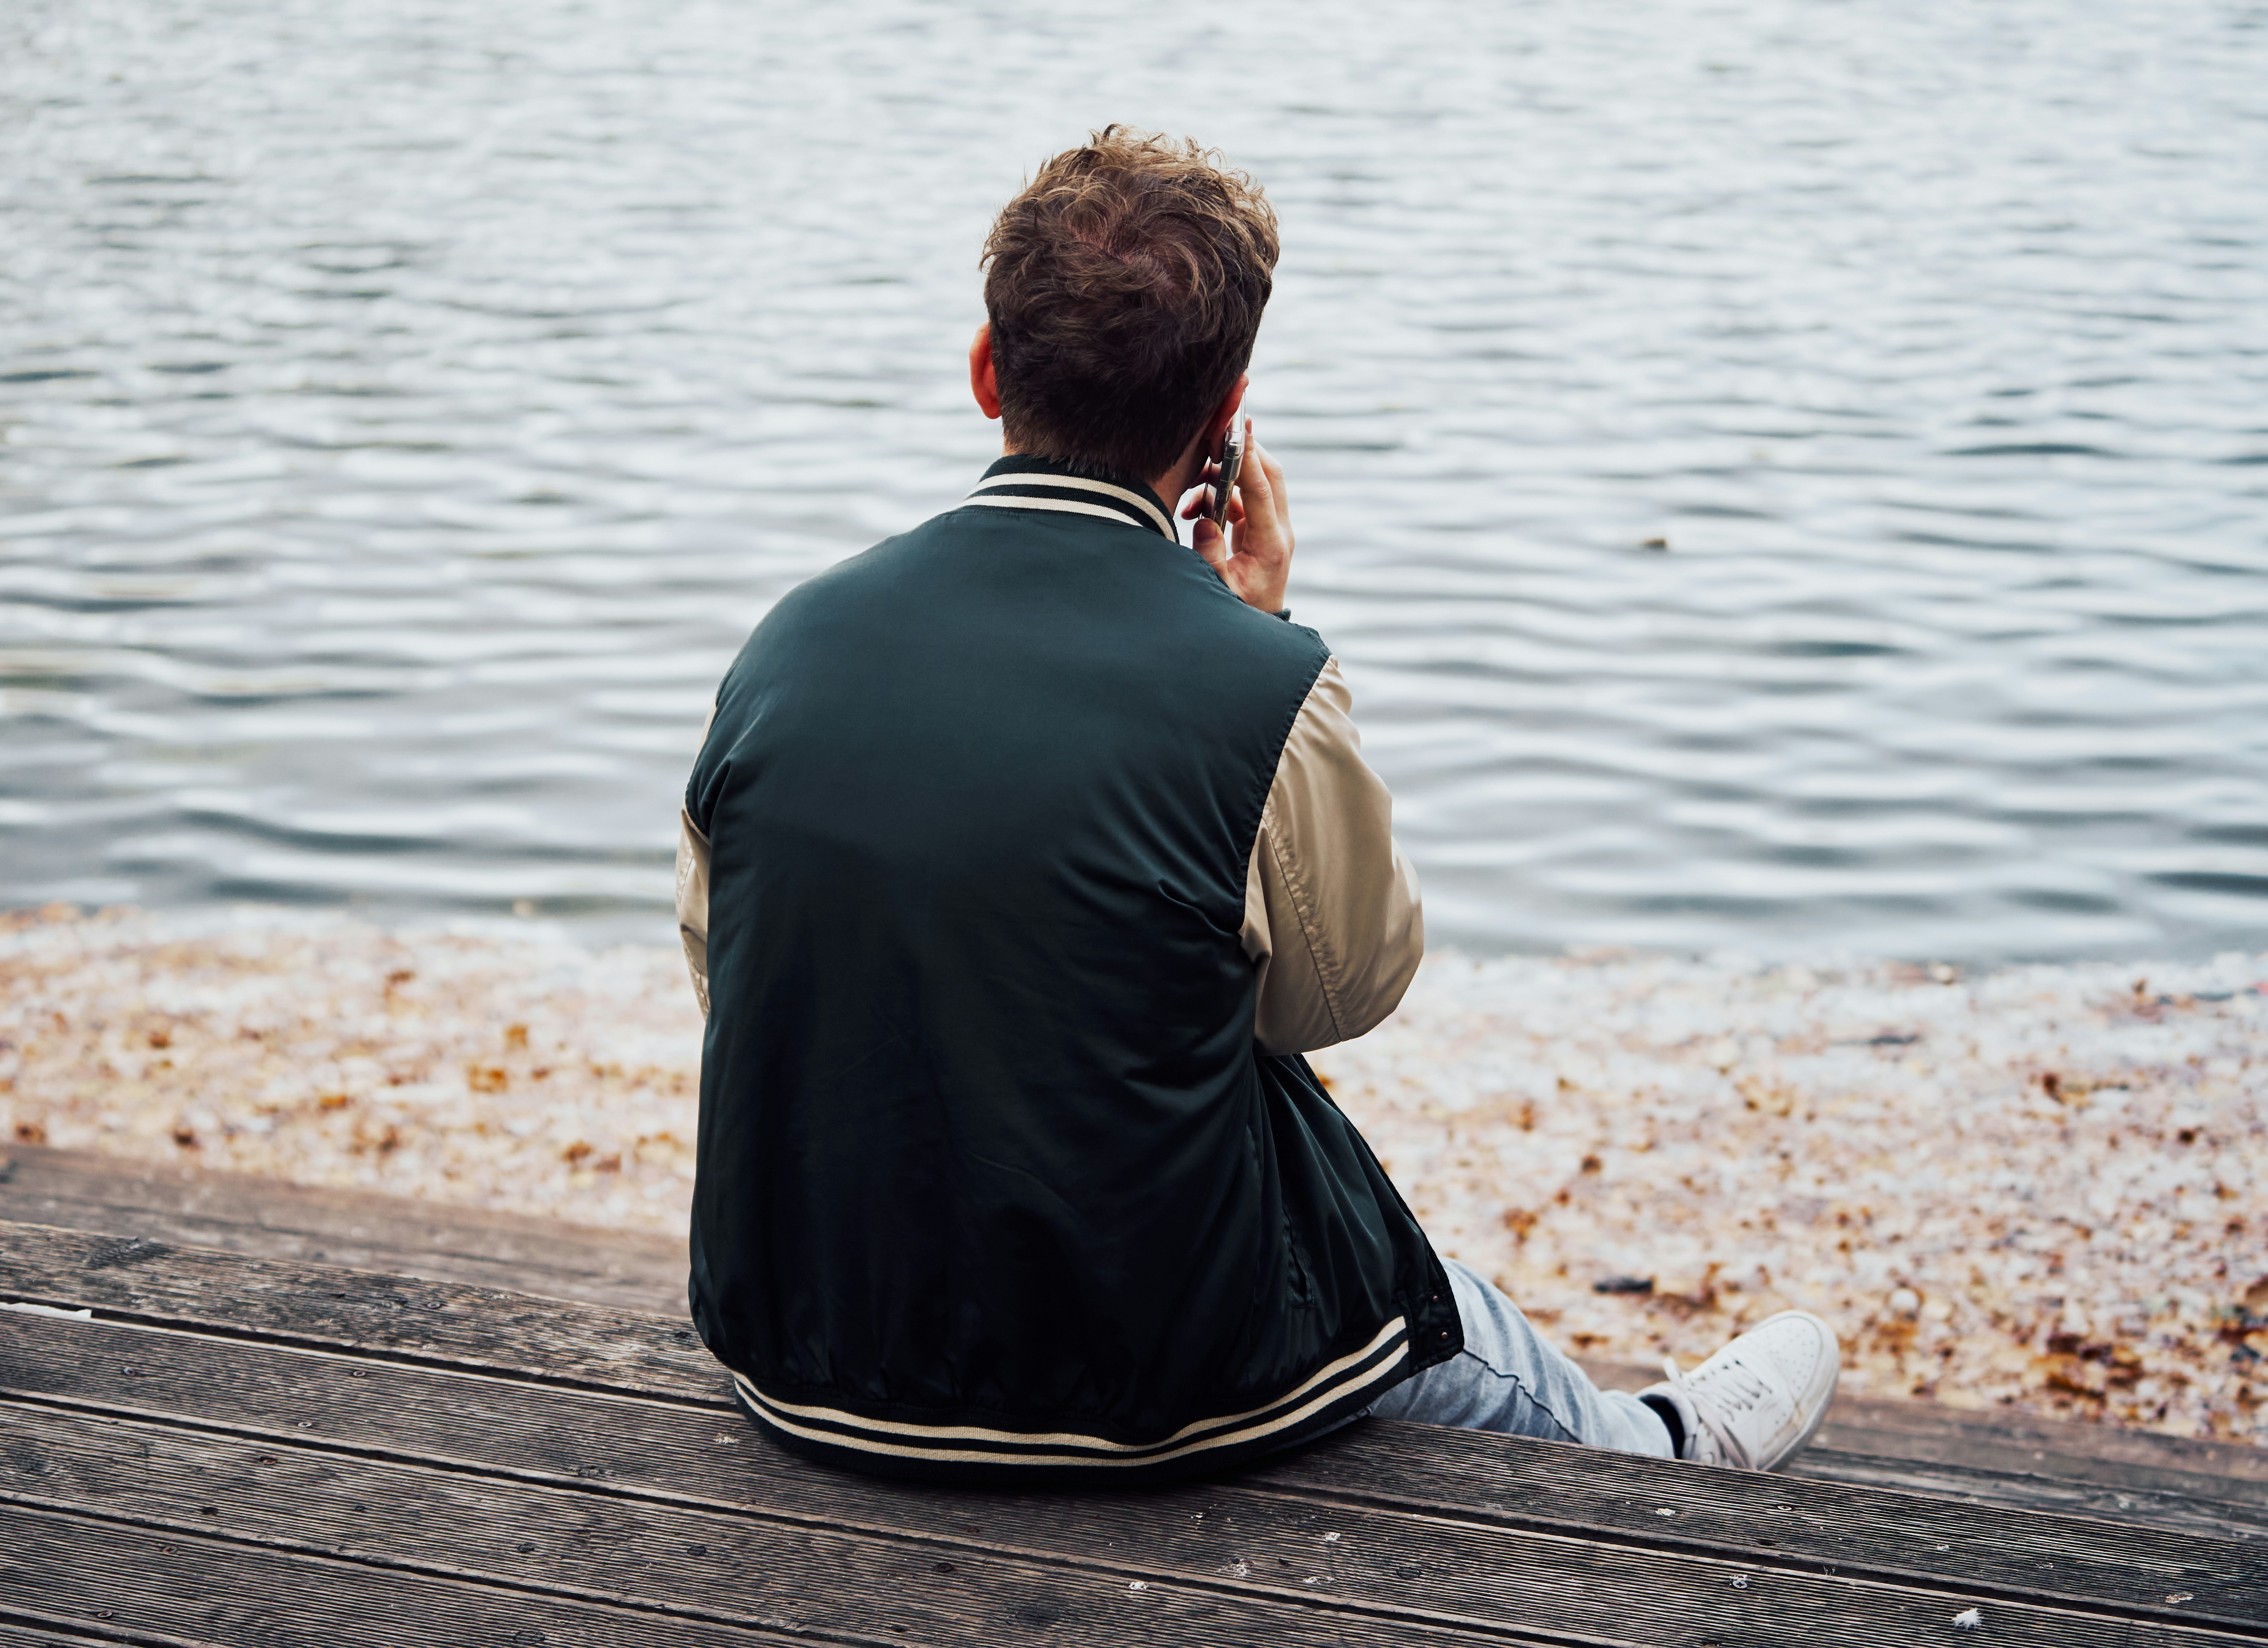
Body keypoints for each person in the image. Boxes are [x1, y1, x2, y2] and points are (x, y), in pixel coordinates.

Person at [674, 126, 1837, 1483]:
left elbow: (732, 967)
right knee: (1411, 1296)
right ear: (1226, 414)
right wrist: (1261, 631)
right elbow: (1338, 996)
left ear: (989, 374)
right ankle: (1662, 1446)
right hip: (1151, 1381)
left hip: (810, 1358)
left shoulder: (788, 646)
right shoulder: (1261, 685)